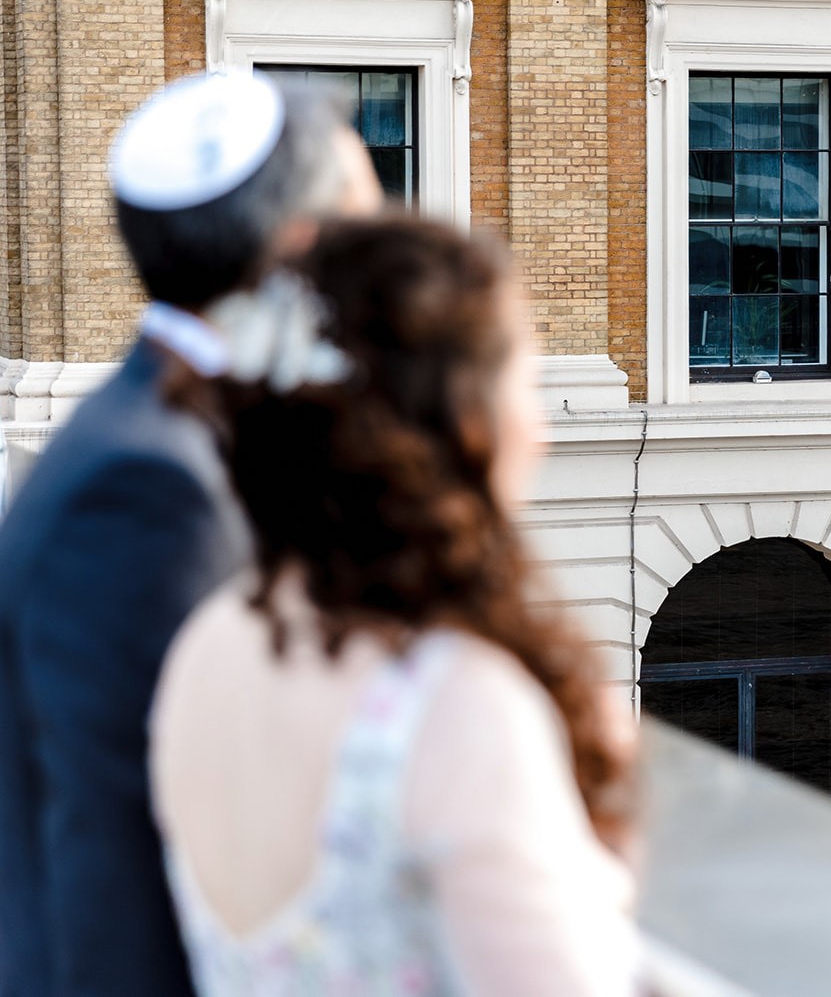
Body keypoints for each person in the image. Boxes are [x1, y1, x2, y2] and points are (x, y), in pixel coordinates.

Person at [149, 216, 640, 994]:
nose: (542, 430)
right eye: (528, 384)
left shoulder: (207, 646)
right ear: (464, 423)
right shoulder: (454, 705)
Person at [0, 71, 381, 997]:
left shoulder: (169, 431)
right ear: (300, 248)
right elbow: (118, 837)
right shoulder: (147, 487)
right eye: (369, 230)